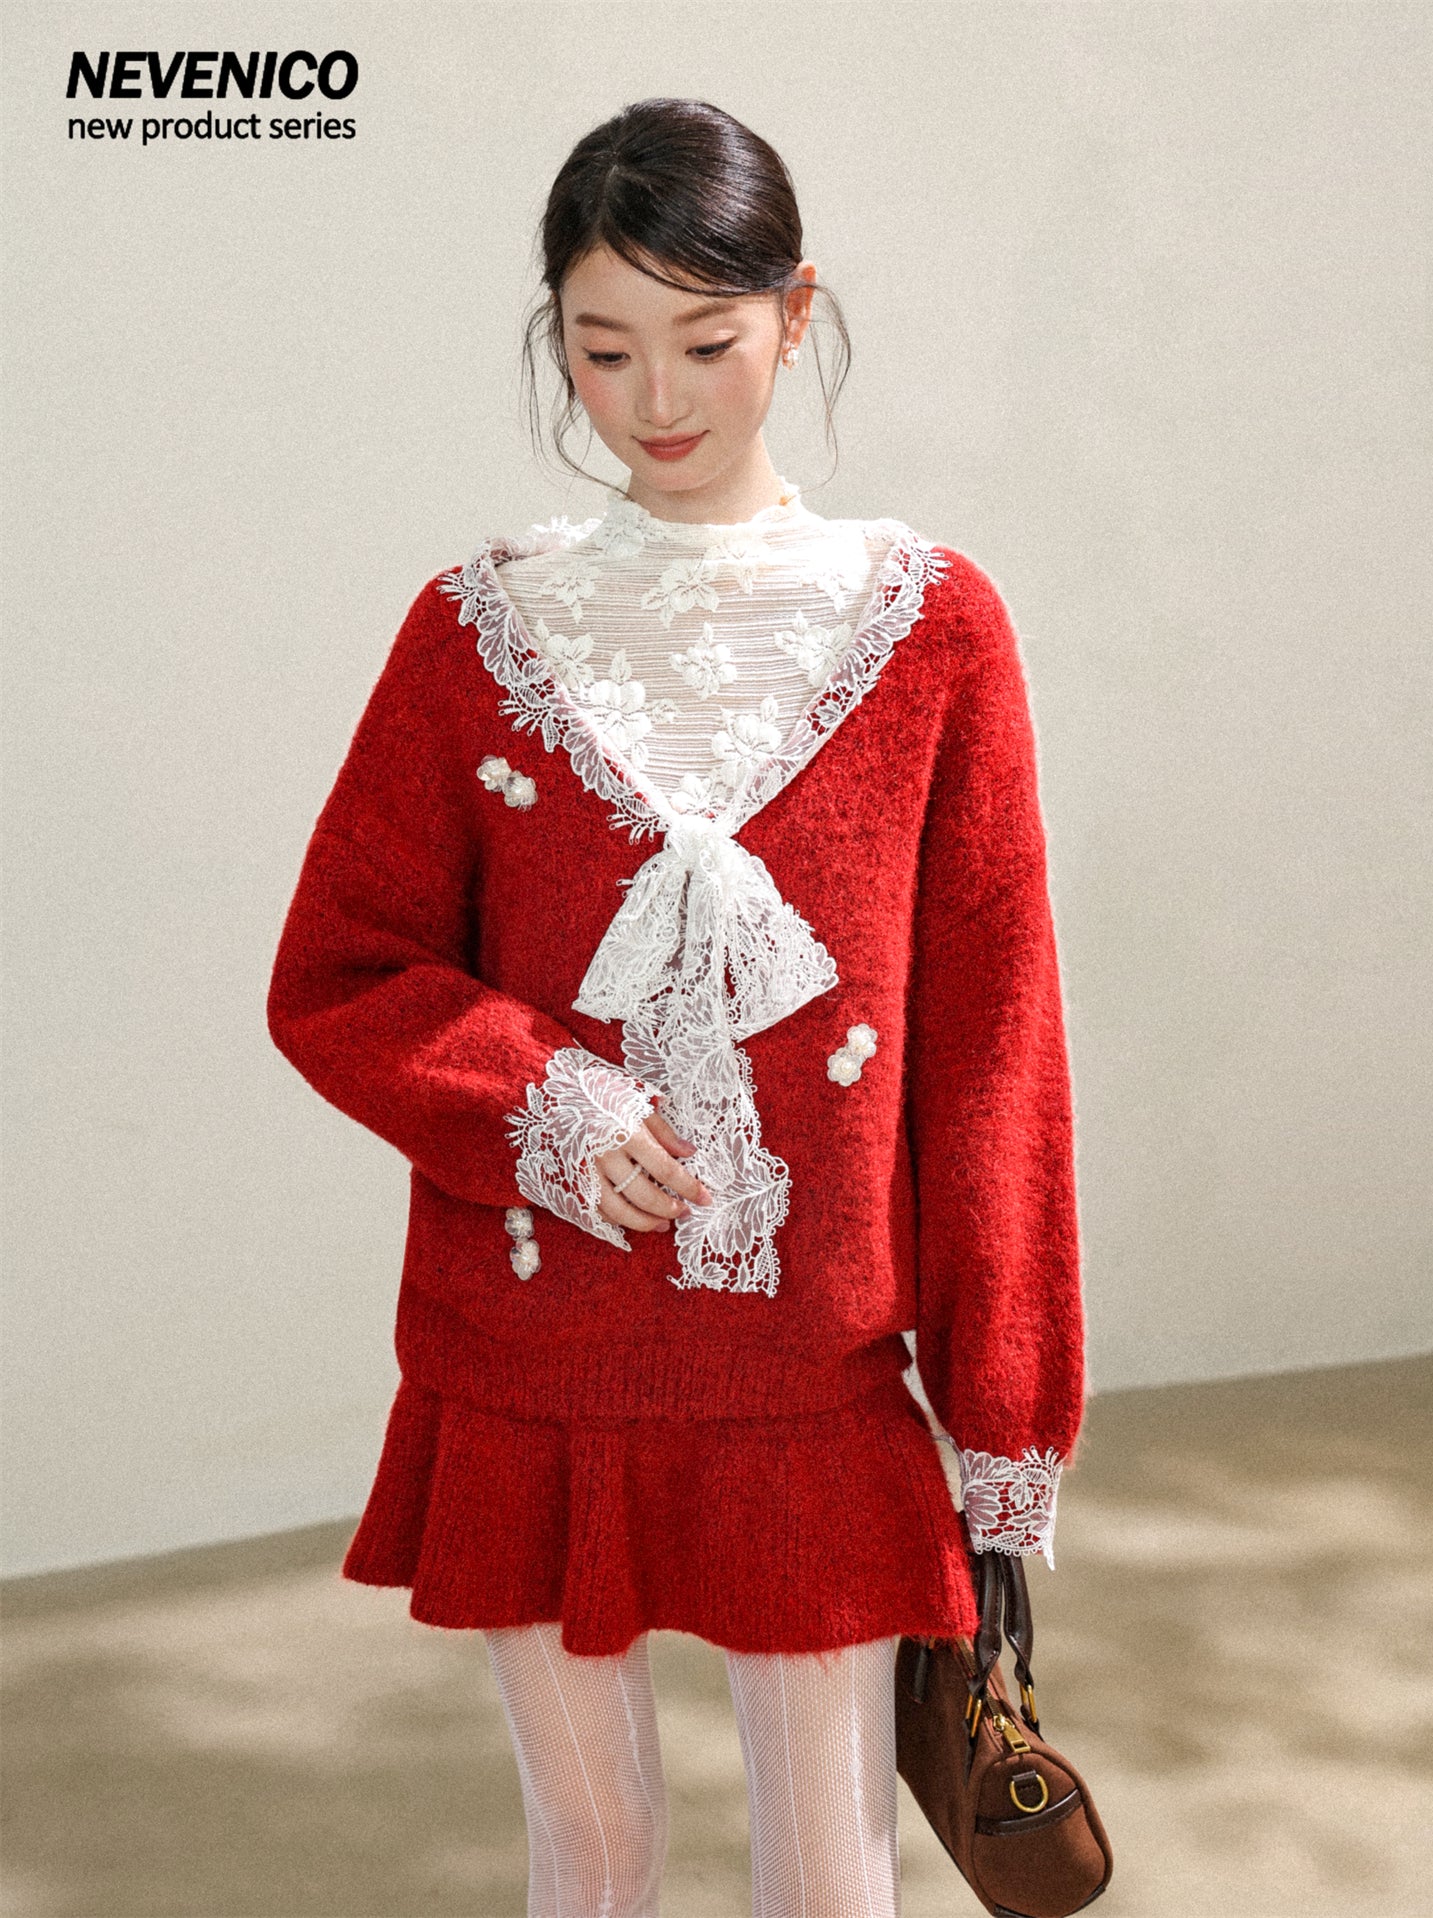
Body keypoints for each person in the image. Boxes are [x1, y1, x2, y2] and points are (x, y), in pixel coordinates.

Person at [267, 96, 1089, 1918]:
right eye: (603, 346)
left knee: (831, 1871)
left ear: (797, 314)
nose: (655, 397)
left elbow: (993, 1052)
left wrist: (1004, 1407)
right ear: (553, 339)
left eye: (707, 341)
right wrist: (540, 1102)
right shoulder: (475, 628)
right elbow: (337, 971)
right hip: (528, 1368)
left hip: (813, 1378)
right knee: (595, 1848)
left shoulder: (933, 627)